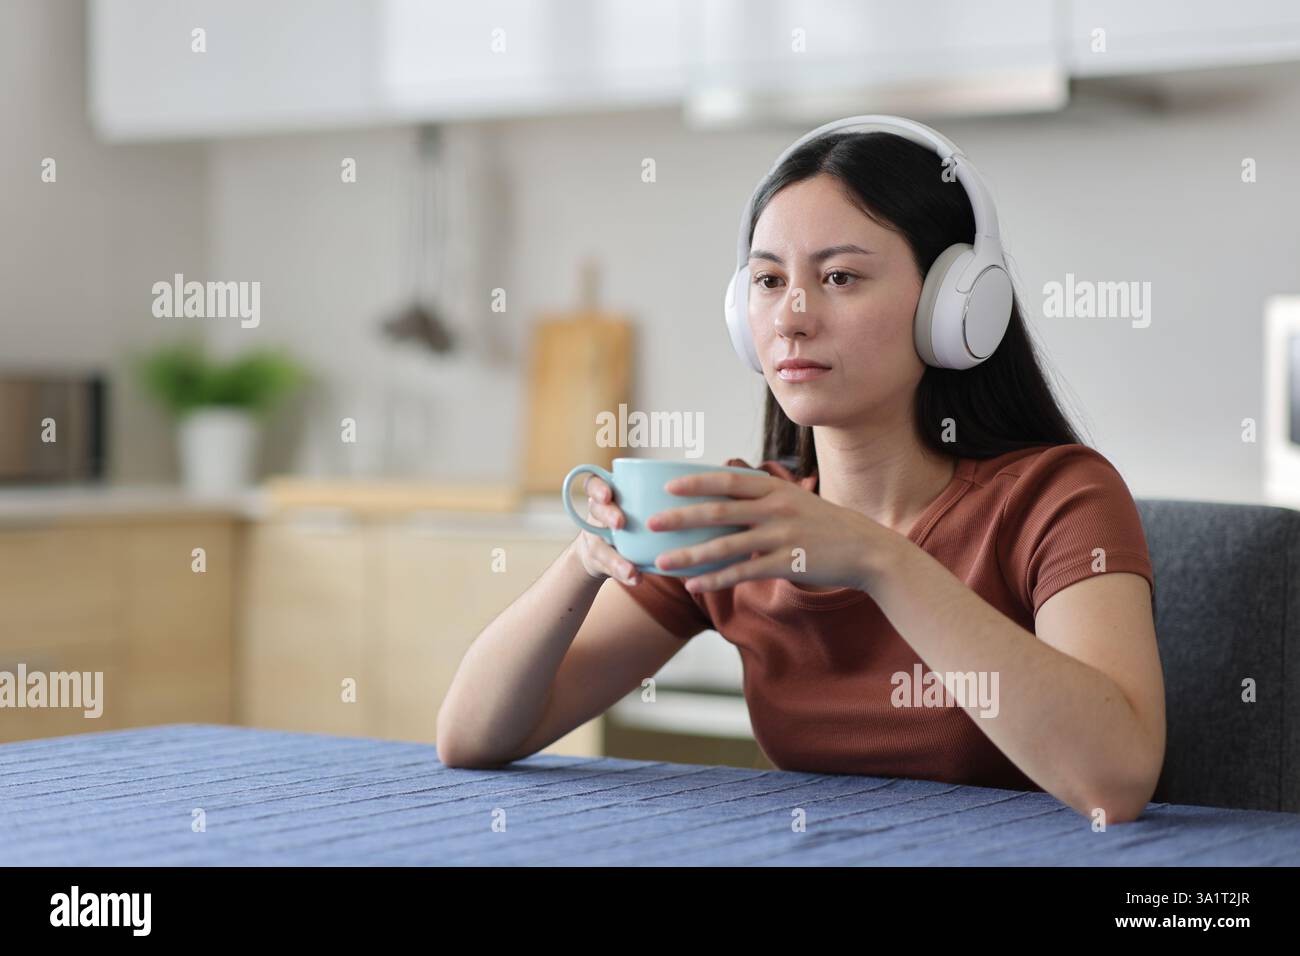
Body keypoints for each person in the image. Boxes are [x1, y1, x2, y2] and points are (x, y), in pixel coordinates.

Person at [438, 118, 1164, 825]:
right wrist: (585, 560)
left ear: (956, 306)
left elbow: (1116, 781)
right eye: (766, 280)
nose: (791, 316)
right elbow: (473, 736)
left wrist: (879, 560)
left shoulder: (1060, 498)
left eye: (840, 276)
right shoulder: (739, 519)